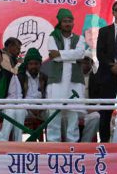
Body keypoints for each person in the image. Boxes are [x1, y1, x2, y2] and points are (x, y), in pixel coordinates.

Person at [46, 8, 85, 142]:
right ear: (60, 23)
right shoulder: (52, 37)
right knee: (54, 112)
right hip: (57, 81)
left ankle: (72, 142)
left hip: (74, 81)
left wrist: (61, 54)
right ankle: (53, 142)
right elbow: (53, 57)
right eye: (65, 21)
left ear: (73, 23)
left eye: (70, 21)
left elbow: (80, 54)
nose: (67, 24)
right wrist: (72, 55)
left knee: (72, 113)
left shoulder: (80, 38)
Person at [96, 0, 117, 142]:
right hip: (108, 75)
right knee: (105, 112)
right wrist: (112, 66)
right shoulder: (104, 31)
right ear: (113, 12)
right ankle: (104, 142)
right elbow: (100, 53)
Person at [17, 48, 48, 125]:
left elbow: (48, 96)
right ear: (27, 65)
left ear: (40, 64)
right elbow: (18, 97)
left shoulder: (44, 77)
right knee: (18, 113)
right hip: (26, 109)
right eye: (31, 64)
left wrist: (40, 108)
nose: (33, 66)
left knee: (54, 114)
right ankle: (17, 137)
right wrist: (30, 107)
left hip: (41, 109)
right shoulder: (20, 77)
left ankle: (53, 137)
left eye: (36, 64)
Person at [79, 53, 100, 142]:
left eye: (86, 62)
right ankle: (69, 146)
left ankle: (84, 145)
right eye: (82, 62)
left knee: (96, 116)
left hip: (88, 111)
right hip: (74, 111)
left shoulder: (96, 78)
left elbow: (100, 101)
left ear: (91, 63)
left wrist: (92, 109)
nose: (84, 65)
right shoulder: (72, 77)